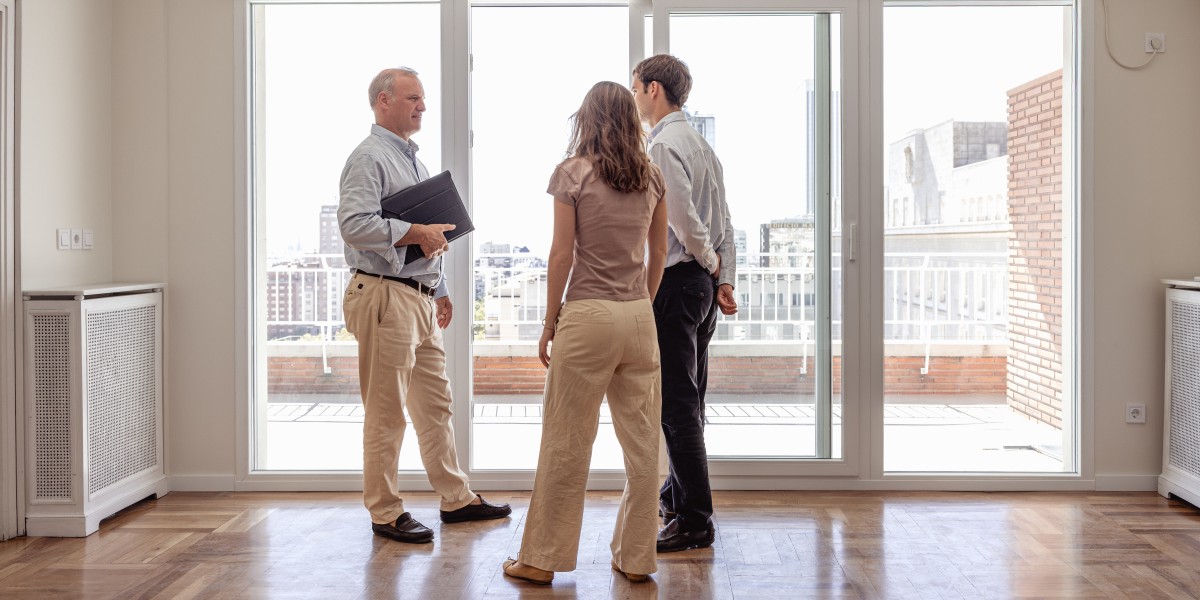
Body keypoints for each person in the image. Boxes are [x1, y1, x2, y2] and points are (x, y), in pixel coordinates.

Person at [501, 81, 669, 585]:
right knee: (643, 447)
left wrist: (550, 323)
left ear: (587, 118)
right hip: (639, 317)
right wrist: (641, 302)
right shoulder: (652, 176)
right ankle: (636, 558)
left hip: (588, 318)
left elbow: (561, 255)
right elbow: (658, 254)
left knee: (566, 441)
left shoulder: (572, 173)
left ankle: (540, 560)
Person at [339, 67, 510, 544]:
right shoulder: (368, 157)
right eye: (413, 98)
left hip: (416, 299)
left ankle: (455, 499)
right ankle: (385, 512)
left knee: (435, 405)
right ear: (383, 101)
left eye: (423, 100)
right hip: (383, 296)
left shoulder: (410, 161)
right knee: (387, 411)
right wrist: (417, 233)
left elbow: (428, 237)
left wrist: (440, 289)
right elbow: (355, 225)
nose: (422, 107)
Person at [631, 54, 738, 553]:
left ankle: (695, 519)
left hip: (678, 283)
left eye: (636, 89)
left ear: (653, 89)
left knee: (675, 403)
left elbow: (680, 219)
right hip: (700, 287)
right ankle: (677, 495)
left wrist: (707, 260)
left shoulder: (664, 144)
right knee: (689, 400)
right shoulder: (701, 145)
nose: (634, 99)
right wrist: (721, 276)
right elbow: (727, 223)